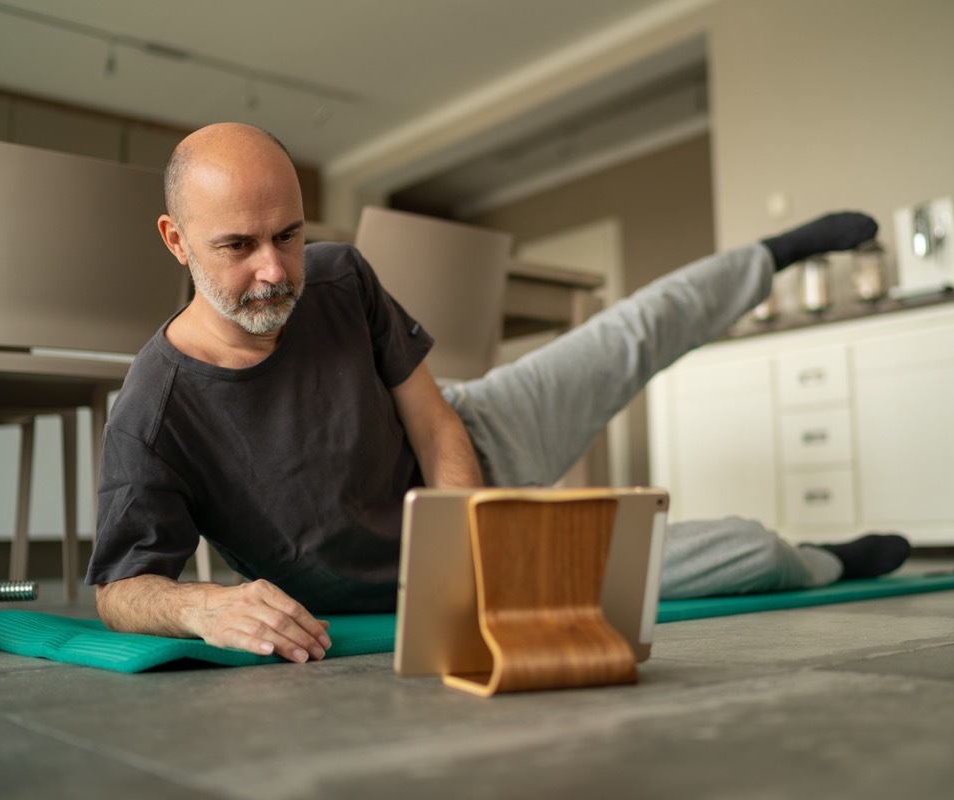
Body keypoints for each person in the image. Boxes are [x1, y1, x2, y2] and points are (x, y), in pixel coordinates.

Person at [86, 123, 909, 664]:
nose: (274, 270)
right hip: (409, 576)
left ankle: (774, 253)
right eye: (238, 245)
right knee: (750, 554)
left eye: (289, 235)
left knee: (631, 332)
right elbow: (121, 588)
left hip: (471, 451)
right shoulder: (153, 416)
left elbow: (432, 415)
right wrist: (200, 606)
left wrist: (466, 537)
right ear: (176, 240)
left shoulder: (338, 277)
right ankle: (832, 561)